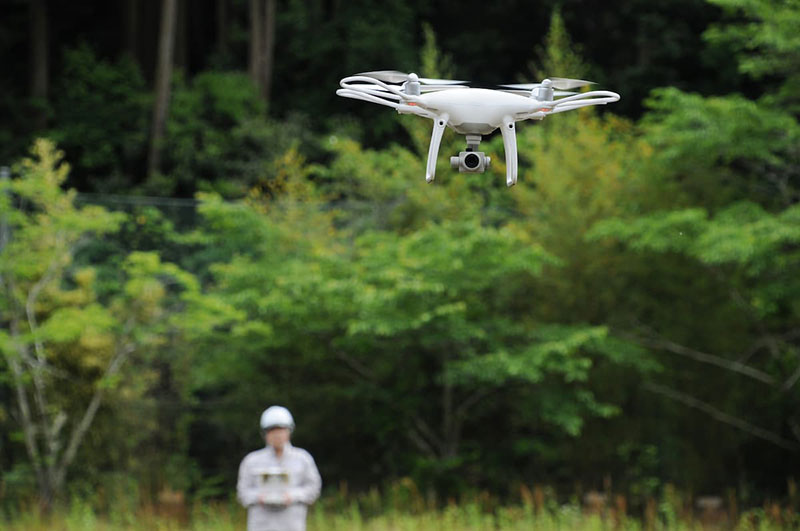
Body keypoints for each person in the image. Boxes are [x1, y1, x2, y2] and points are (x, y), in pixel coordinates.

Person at [237, 406, 322, 531]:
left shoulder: (303, 458)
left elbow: (313, 488)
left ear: (289, 431)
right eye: (272, 430)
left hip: (292, 525)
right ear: (265, 433)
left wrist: (292, 496)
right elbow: (242, 492)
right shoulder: (251, 461)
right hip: (261, 526)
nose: (277, 435)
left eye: (281, 430)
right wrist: (259, 497)